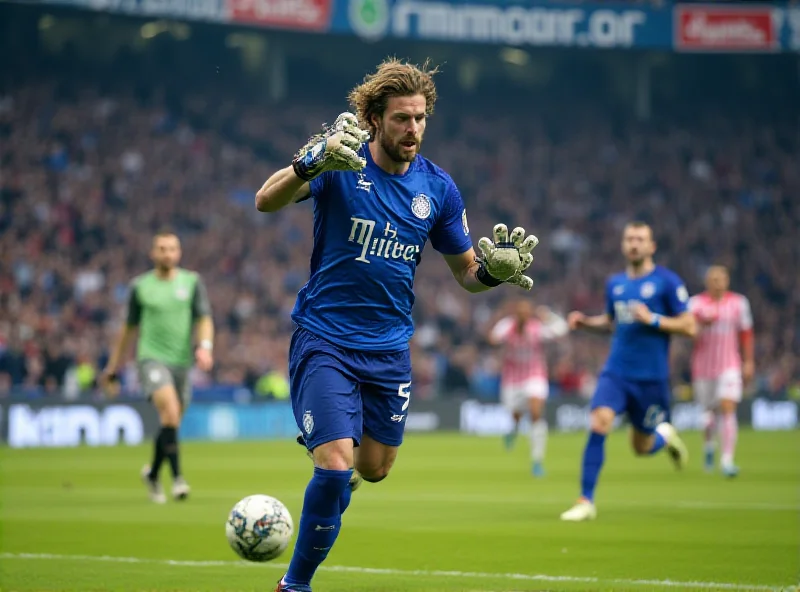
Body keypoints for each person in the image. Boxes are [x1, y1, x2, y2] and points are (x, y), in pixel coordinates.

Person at [254, 58, 538, 592]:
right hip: (326, 340)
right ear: (374, 118)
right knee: (336, 468)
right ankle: (294, 585)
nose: (413, 129)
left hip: (388, 350)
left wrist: (494, 273)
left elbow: (467, 275)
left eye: (421, 118)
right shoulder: (342, 163)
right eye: (403, 119)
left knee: (375, 469)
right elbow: (265, 201)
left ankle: (337, 476)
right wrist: (309, 162)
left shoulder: (439, 189)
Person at [560, 222, 695, 522]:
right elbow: (612, 322)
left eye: (640, 239)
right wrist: (585, 323)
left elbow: (689, 325)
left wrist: (655, 320)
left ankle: (664, 437)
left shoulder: (667, 282)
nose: (634, 244)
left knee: (641, 446)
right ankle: (586, 500)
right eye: (630, 239)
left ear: (651, 246)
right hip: (617, 372)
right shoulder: (615, 284)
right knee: (599, 420)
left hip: (651, 378)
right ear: (623, 245)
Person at [102, 230, 214, 504]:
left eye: (172, 248)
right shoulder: (140, 287)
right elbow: (128, 329)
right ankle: (177, 479)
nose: (167, 253)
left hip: (182, 362)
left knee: (170, 422)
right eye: (162, 248)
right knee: (171, 412)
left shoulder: (192, 282)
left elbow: (204, 319)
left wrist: (205, 347)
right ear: (153, 253)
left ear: (179, 253)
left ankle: (152, 473)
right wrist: (113, 367)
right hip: (150, 358)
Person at [489, 299, 567, 476]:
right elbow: (492, 338)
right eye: (521, 312)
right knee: (516, 414)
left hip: (535, 376)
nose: (524, 315)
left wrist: (547, 315)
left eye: (527, 311)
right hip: (512, 380)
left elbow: (562, 329)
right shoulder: (507, 325)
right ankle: (513, 429)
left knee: (535, 412)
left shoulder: (537, 328)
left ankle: (537, 460)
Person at [689, 265, 754, 477]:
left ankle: (727, 460)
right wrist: (701, 325)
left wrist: (748, 361)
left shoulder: (738, 303)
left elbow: (746, 333)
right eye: (713, 279)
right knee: (709, 415)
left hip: (729, 365)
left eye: (721, 279)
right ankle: (709, 446)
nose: (718, 283)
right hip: (703, 368)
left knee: (727, 407)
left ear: (727, 281)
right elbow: (688, 332)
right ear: (707, 282)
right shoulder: (696, 304)